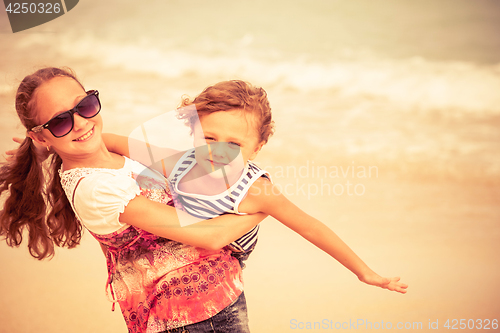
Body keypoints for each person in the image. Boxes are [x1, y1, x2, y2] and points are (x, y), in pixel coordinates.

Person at [0, 67, 268, 333]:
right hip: (190, 319)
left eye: (85, 105)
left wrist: (39, 149)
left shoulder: (102, 151)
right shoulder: (97, 189)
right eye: (60, 121)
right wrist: (263, 206)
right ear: (41, 134)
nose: (81, 122)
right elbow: (207, 236)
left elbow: (107, 142)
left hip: (208, 302)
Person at [104, 80, 408, 294]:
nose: (216, 152)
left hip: (230, 249)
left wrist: (363, 271)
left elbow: (311, 227)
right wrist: (67, 146)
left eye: (234, 144)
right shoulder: (182, 161)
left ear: (257, 147)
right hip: (188, 227)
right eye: (208, 138)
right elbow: (121, 144)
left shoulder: (255, 191)